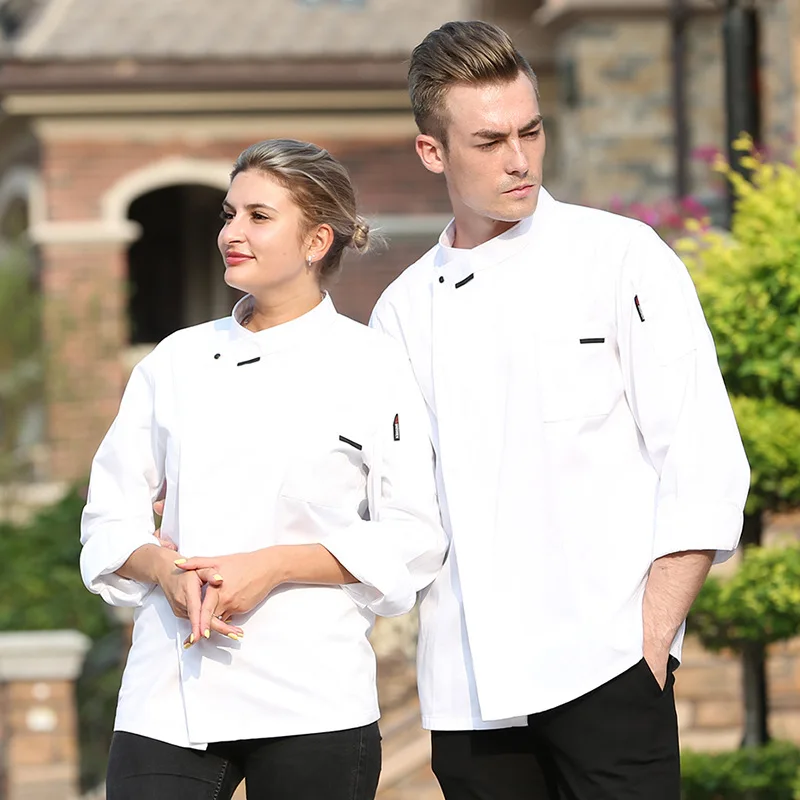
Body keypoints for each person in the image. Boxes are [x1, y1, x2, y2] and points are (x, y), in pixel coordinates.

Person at [369, 20, 750, 800]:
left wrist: (651, 642)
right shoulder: (403, 311)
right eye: (489, 141)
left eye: (531, 131)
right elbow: (390, 501)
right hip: (469, 690)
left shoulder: (621, 256)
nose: (519, 160)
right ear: (432, 152)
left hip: (609, 668)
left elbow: (703, 457)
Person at [79, 138, 447, 800]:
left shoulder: (374, 367)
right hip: (171, 688)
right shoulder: (175, 362)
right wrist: (161, 568)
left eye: (257, 216)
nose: (231, 234)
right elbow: (110, 511)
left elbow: (414, 535)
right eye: (228, 214)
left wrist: (274, 566)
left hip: (313, 691)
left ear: (315, 241)